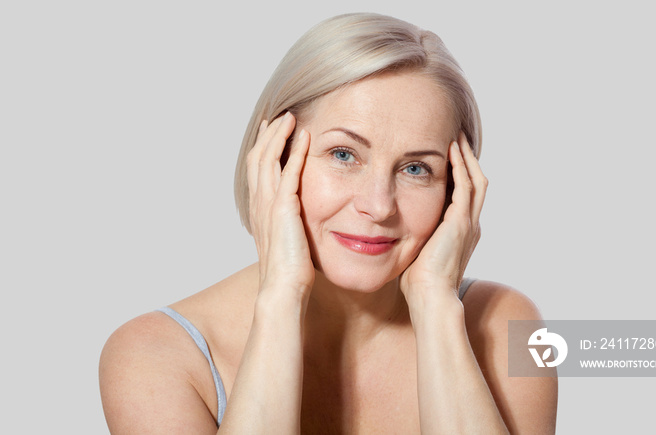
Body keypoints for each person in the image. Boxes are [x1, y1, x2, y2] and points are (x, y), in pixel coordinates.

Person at [99, 12, 557, 434]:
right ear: (274, 159)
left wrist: (437, 308)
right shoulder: (154, 356)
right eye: (343, 154)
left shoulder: (510, 329)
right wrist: (280, 298)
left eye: (416, 168)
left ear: (456, 190)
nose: (379, 206)